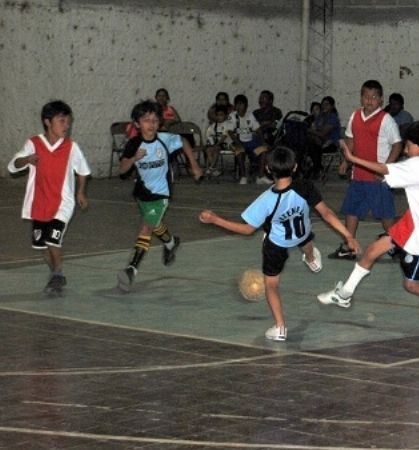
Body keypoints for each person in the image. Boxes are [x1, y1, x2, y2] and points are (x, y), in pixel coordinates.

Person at [318, 121, 419, 323]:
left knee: (411, 285)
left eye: (408, 146)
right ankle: (344, 294)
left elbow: (384, 169)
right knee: (373, 250)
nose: (407, 151)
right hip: (410, 224)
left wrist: (353, 158)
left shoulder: (417, 165)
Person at [199, 146, 360, 341]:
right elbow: (326, 213)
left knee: (271, 285)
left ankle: (280, 327)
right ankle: (311, 259)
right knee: (306, 238)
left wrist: (216, 220)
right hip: (302, 233)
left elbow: (247, 229)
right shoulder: (305, 186)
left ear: (267, 169)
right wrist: (348, 236)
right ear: (295, 167)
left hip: (277, 244)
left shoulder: (266, 200)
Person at [116, 100, 202, 293]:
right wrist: (132, 159)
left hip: (162, 192)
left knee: (147, 226)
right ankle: (171, 242)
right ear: (137, 124)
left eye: (155, 120)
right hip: (142, 192)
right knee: (154, 224)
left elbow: (185, 141)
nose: (151, 124)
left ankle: (132, 269)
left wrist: (194, 164)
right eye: (146, 120)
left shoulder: (164, 139)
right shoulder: (133, 144)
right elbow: (122, 169)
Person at [7, 100, 91, 296]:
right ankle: (55, 273)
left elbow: (83, 171)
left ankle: (59, 273)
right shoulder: (34, 143)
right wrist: (27, 160)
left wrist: (80, 192)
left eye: (68, 121)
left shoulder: (72, 147)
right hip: (39, 203)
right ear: (47, 122)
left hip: (63, 202)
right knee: (41, 245)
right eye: (61, 121)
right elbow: (13, 165)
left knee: (54, 239)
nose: (66, 125)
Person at [329, 80, 402, 260]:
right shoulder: (354, 116)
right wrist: (346, 161)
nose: (370, 101)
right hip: (358, 175)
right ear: (361, 97)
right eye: (366, 97)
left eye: (374, 97)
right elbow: (350, 140)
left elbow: (397, 145)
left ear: (381, 99)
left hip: (378, 178)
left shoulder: (386, 120)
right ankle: (349, 245)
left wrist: (385, 169)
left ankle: (399, 243)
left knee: (385, 215)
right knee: (351, 210)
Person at [229, 94, 270, 185]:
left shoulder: (250, 115)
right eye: (237, 104)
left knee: (263, 150)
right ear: (235, 106)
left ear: (246, 106)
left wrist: (263, 142)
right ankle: (243, 176)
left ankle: (260, 176)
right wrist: (238, 143)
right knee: (239, 151)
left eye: (242, 104)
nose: (239, 106)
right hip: (238, 141)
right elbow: (230, 132)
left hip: (250, 142)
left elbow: (258, 130)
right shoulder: (232, 116)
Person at [308, 96, 341, 178]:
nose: (324, 106)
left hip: (330, 144)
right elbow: (314, 128)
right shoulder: (320, 117)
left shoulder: (333, 118)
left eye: (327, 104)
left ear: (332, 106)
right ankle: (316, 169)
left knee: (313, 147)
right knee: (309, 145)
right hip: (319, 142)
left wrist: (311, 131)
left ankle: (317, 169)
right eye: (323, 104)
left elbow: (323, 133)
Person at [204, 104, 233, 176]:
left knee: (216, 148)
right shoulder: (214, 125)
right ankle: (214, 169)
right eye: (217, 115)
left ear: (226, 116)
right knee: (208, 150)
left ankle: (211, 168)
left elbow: (224, 137)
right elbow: (209, 135)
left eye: (221, 115)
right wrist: (211, 143)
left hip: (226, 144)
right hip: (216, 144)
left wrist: (215, 145)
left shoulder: (228, 124)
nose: (219, 117)